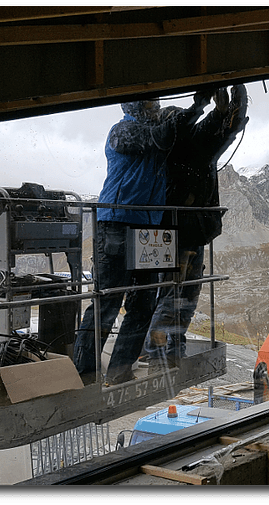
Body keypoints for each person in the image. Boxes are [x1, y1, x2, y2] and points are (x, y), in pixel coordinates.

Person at [74, 93, 211, 385]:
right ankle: (83, 374)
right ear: (135, 106)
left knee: (144, 303)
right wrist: (197, 107)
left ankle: (119, 369)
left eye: (157, 103)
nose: (157, 107)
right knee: (107, 302)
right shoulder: (123, 131)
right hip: (116, 223)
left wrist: (198, 110)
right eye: (151, 103)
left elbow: (169, 134)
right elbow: (161, 137)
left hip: (148, 229)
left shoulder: (150, 131)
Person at [144, 84, 249, 373]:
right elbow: (213, 136)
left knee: (176, 296)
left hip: (182, 231)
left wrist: (221, 112)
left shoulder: (179, 145)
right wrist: (224, 111)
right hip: (183, 232)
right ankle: (159, 355)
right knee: (177, 297)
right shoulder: (183, 146)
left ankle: (166, 353)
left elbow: (213, 135)